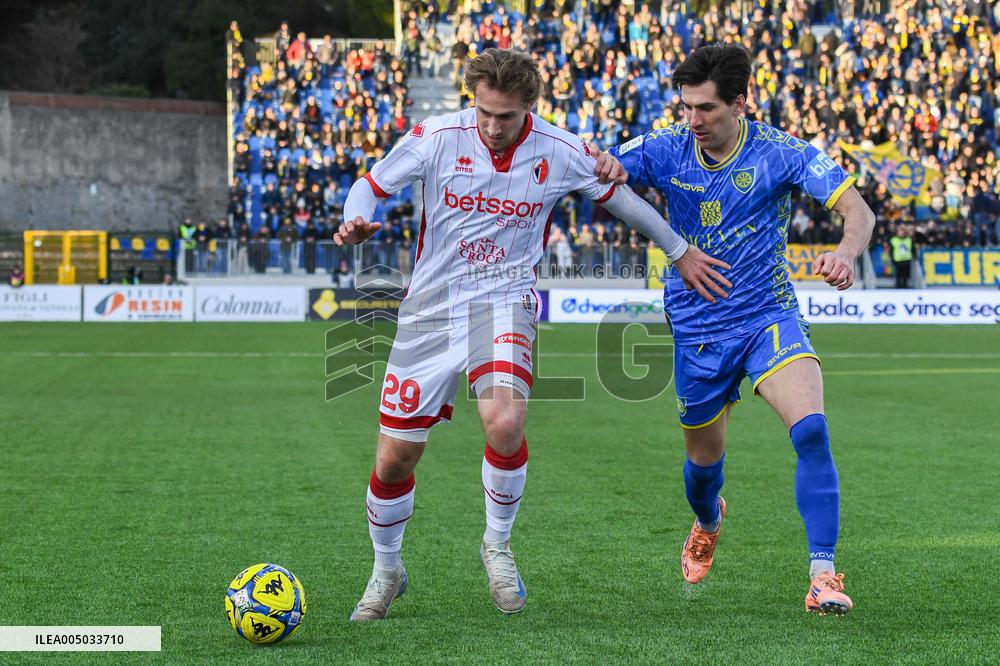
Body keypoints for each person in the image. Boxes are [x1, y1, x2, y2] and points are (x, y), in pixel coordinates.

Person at [334, 47, 729, 622]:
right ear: (473, 101)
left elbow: (623, 201)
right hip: (428, 310)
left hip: (503, 301)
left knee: (505, 419)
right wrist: (355, 216)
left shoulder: (560, 149)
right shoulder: (438, 134)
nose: (494, 127)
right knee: (394, 459)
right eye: (485, 114)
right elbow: (371, 184)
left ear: (530, 108)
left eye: (508, 117)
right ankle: (387, 570)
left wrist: (679, 250)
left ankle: (496, 546)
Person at [594, 44, 876, 615]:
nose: (693, 120)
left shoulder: (781, 152)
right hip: (698, 328)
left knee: (812, 432)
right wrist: (611, 169)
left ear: (740, 103)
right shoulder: (666, 147)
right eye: (687, 107)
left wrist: (846, 253)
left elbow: (859, 213)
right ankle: (707, 519)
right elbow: (601, 170)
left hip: (768, 314)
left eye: (706, 109)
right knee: (703, 471)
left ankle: (822, 574)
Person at [889, 224, 913, 289]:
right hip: (898, 260)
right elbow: (891, 250)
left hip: (907, 259)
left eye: (902, 232)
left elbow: (912, 249)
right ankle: (898, 285)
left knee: (906, 274)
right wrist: (892, 258)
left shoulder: (909, 239)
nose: (901, 233)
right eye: (900, 232)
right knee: (898, 274)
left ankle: (905, 285)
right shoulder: (893, 240)